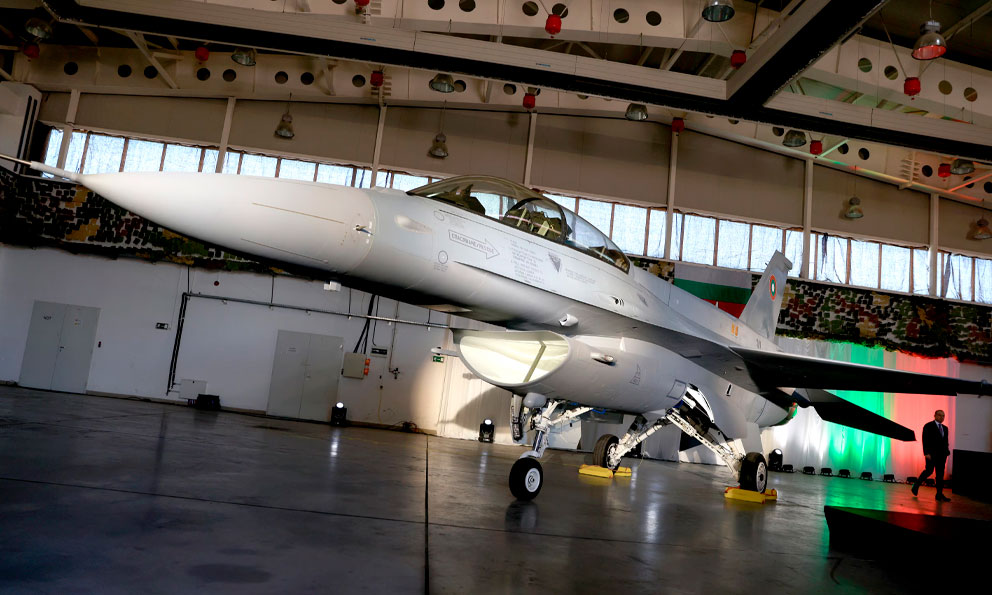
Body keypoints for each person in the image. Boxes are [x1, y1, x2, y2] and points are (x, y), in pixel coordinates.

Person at [911, 410, 951, 502]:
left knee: (940, 475)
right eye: (940, 415)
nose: (942, 417)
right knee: (929, 471)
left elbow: (945, 441)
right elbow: (925, 440)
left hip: (942, 455)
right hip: (931, 454)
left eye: (943, 416)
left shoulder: (945, 428)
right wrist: (926, 453)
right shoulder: (928, 426)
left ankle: (939, 494)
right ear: (935, 415)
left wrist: (947, 451)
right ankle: (916, 485)